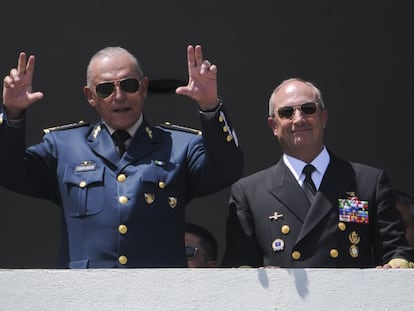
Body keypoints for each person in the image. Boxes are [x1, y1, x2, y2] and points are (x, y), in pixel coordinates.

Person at [0, 45, 243, 268]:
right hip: (85, 295)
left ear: (144, 87)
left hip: (158, 295)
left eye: (129, 85)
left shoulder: (179, 145)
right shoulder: (63, 146)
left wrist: (210, 107)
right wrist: (11, 115)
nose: (119, 96)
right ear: (90, 95)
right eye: (105, 89)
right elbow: (8, 171)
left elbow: (227, 169)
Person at [222, 77, 414, 269]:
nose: (298, 119)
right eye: (287, 112)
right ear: (274, 126)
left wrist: (396, 265)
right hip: (283, 298)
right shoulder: (249, 192)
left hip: (350, 297)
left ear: (323, 117)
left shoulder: (368, 182)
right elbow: (238, 264)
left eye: (308, 109)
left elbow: (395, 249)